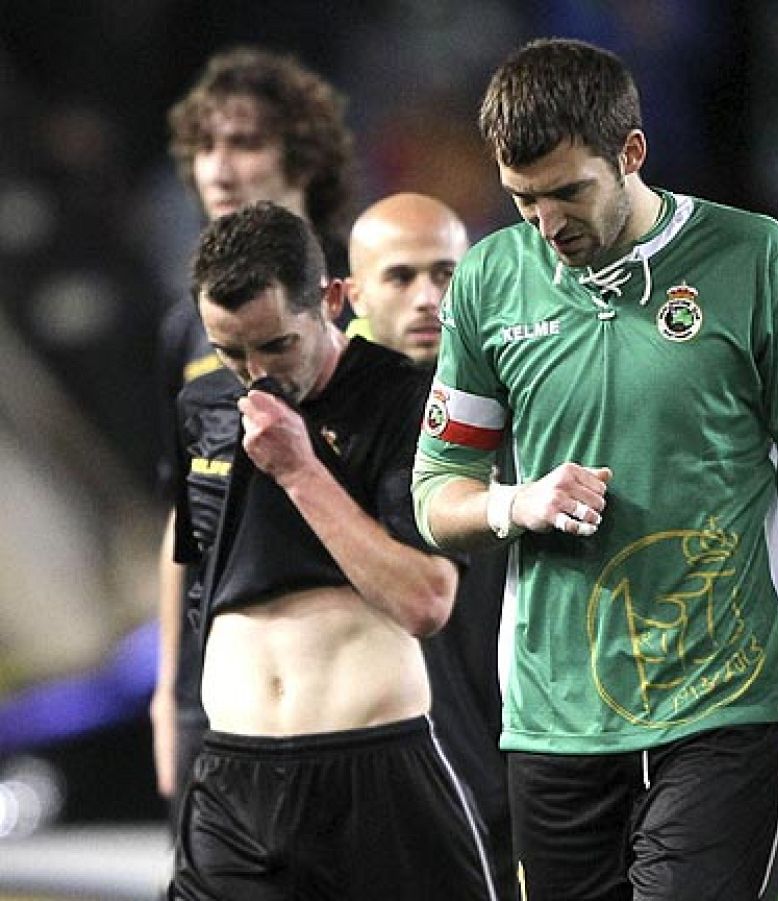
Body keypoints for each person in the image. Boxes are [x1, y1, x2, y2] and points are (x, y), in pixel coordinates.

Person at [412, 37, 778, 900]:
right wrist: (518, 502)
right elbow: (437, 495)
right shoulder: (487, 280)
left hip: (726, 702)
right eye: (522, 200)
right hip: (553, 714)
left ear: (631, 154)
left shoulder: (756, 259)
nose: (548, 225)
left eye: (567, 192)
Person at [168, 202, 497, 900]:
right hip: (233, 779)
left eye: (278, 345)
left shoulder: (410, 400)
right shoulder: (203, 407)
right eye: (231, 351)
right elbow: (197, 574)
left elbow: (426, 599)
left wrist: (299, 468)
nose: (255, 374)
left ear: (333, 299)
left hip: (371, 772)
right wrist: (175, 706)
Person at [150, 45, 355, 828]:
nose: (219, 167)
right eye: (206, 146)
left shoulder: (372, 289)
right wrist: (171, 691)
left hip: (352, 673)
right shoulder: (184, 328)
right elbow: (183, 519)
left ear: (301, 156)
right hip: (226, 678)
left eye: (244, 142)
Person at [345, 192, 517, 900]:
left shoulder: (519, 395)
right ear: (353, 290)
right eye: (401, 276)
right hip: (392, 757)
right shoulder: (322, 421)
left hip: (518, 745)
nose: (428, 297)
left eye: (445, 274)